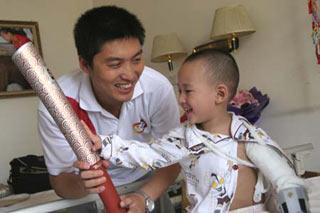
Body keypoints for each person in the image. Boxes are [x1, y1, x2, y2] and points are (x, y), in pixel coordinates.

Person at [85, 49, 309, 212]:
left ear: (220, 95)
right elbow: (149, 154)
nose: (180, 99)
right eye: (179, 90)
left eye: (188, 91)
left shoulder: (247, 139)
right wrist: (104, 144)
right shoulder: (184, 137)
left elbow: (286, 182)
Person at [38, 5, 180, 213]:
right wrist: (84, 184)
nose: (130, 75)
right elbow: (61, 182)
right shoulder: (58, 103)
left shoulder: (157, 89)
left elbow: (172, 158)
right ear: (85, 65)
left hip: (147, 184)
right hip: (89, 195)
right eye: (115, 64)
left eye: (137, 60)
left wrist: (144, 197)